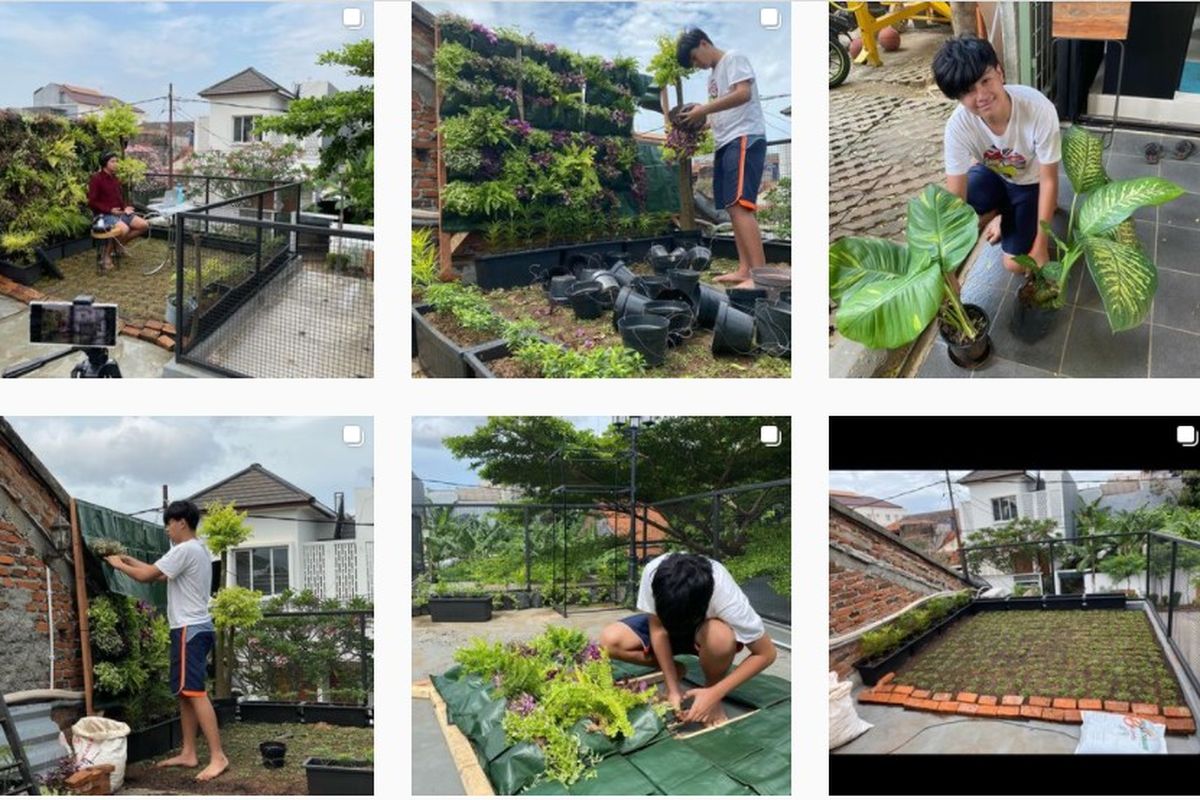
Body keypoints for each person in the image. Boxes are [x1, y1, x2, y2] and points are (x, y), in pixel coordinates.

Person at [105, 500, 228, 782]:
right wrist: (126, 559)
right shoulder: (196, 549)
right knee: (185, 692)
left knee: (195, 692)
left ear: (181, 522)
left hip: (190, 629)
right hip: (191, 628)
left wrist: (117, 565)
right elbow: (159, 573)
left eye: (168, 524)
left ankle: (218, 756)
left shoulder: (185, 549)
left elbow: (147, 576)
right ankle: (188, 752)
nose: (167, 530)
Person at [599, 553, 777, 728]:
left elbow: (766, 653)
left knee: (720, 636)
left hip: (704, 633)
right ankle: (675, 669)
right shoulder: (655, 573)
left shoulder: (726, 595)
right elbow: (658, 629)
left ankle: (709, 693)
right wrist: (672, 688)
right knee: (610, 640)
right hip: (666, 626)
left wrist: (714, 693)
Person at [933, 34, 1061, 275]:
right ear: (957, 97)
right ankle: (1003, 212)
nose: (981, 96)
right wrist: (948, 274)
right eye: (968, 90)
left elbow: (1049, 179)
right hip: (993, 174)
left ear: (1000, 73)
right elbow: (955, 200)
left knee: (1014, 265)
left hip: (1030, 182)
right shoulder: (957, 126)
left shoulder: (1039, 109)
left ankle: (1013, 214)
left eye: (985, 81)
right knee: (964, 211)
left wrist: (1041, 246)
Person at [674, 28, 769, 287]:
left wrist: (703, 109)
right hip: (725, 141)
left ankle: (760, 276)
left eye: (694, 58)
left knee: (741, 205)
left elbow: (742, 94)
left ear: (704, 43)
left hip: (744, 137)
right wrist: (699, 122)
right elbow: (720, 113)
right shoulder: (713, 78)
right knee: (731, 207)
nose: (697, 65)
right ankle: (744, 269)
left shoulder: (734, 58)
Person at [87, 152, 149, 271]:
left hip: (120, 213)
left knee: (144, 225)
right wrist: (109, 210)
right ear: (105, 163)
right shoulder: (96, 179)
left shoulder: (115, 178)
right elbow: (91, 202)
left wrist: (125, 208)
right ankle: (106, 255)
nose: (116, 164)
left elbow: (119, 198)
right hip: (104, 215)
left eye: (116, 161)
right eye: (113, 161)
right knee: (123, 229)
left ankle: (119, 247)